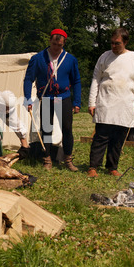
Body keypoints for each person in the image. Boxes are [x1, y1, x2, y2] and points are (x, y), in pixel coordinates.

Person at [88, 27, 134, 178]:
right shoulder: (104, 57)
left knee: (118, 139)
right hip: (105, 102)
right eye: (112, 43)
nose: (113, 46)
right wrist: (92, 102)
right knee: (101, 137)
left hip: (124, 104)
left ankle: (112, 167)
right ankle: (93, 167)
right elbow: (95, 79)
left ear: (125, 42)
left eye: (117, 43)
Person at [23, 28, 81, 171]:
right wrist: (27, 99)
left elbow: (76, 81)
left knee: (67, 129)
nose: (56, 48)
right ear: (50, 41)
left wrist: (77, 102)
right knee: (46, 129)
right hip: (47, 97)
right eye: (54, 44)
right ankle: (47, 159)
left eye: (59, 45)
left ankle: (68, 159)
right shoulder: (38, 58)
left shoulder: (70, 59)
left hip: (64, 97)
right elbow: (28, 79)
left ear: (64, 43)